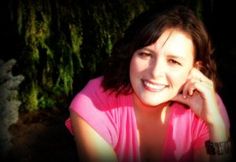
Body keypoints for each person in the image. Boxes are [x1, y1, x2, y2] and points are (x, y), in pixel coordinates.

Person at [65, 3, 232, 162]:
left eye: (173, 61)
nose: (155, 72)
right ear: (130, 53)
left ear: (194, 69)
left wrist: (216, 126)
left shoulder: (207, 105)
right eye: (145, 54)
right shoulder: (94, 102)